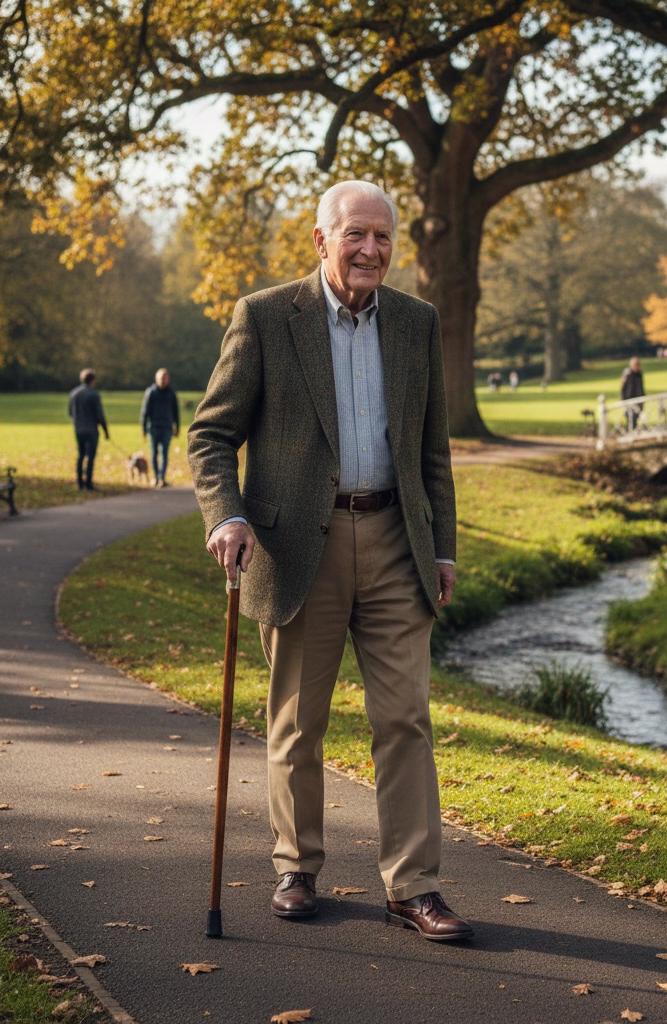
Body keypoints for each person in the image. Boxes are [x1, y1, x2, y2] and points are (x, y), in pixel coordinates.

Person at [187, 180, 471, 941]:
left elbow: (432, 453)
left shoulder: (417, 323)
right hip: (292, 545)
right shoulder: (266, 317)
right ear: (321, 240)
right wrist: (229, 515)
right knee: (296, 722)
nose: (370, 250)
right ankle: (296, 868)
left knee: (405, 720)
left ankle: (414, 888)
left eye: (382, 237)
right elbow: (210, 435)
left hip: (394, 544)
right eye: (356, 236)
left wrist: (442, 547)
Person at [68, 368, 109, 491]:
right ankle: (89, 483)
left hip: (78, 429)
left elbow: (70, 412)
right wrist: (105, 431)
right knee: (90, 457)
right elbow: (99, 415)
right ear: (92, 380)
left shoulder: (74, 393)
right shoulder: (93, 394)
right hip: (91, 430)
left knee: (81, 456)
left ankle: (80, 482)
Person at [140, 367, 180, 488]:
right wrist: (143, 428)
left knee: (164, 453)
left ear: (168, 379)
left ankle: (161, 478)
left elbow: (175, 411)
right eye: (161, 378)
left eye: (165, 378)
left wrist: (177, 426)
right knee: (154, 453)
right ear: (156, 379)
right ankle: (156, 477)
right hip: (153, 428)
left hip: (167, 427)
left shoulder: (171, 393)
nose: (163, 380)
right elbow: (145, 411)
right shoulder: (150, 392)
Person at [619, 356, 645, 430]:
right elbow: (623, 388)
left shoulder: (639, 374)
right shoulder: (628, 374)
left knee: (636, 415)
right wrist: (624, 400)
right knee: (630, 416)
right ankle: (631, 430)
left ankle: (633, 430)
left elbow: (641, 386)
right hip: (629, 399)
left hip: (638, 399)